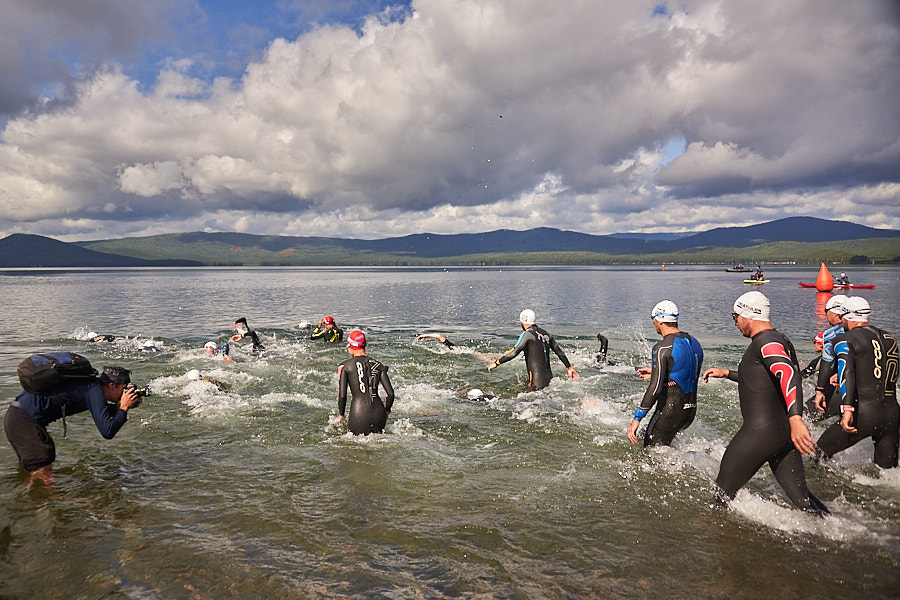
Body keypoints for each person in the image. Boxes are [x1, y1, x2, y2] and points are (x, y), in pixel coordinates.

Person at [702, 291, 828, 515]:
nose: (735, 322)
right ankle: (835, 537)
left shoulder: (766, 342)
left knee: (719, 498)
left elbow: (788, 374)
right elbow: (765, 379)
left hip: (759, 434)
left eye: (736, 316)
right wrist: (726, 373)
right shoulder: (779, 339)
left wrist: (797, 419)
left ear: (749, 315)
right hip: (782, 436)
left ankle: (707, 544)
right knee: (805, 502)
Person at [4, 366, 142, 488]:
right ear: (112, 385)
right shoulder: (94, 391)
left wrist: (120, 407)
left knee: (34, 471)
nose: (126, 393)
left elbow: (102, 412)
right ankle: (47, 510)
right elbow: (108, 431)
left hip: (18, 416)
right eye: (124, 388)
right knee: (44, 473)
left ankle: (28, 503)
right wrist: (123, 408)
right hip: (24, 421)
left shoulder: (90, 386)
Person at [816, 297, 899, 468]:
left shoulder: (845, 339)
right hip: (892, 415)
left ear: (846, 316)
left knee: (819, 452)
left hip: (864, 414)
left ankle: (822, 491)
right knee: (886, 473)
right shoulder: (890, 338)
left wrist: (846, 408)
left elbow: (848, 371)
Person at [628, 301, 704, 446]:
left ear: (659, 319)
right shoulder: (695, 342)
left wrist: (637, 418)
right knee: (655, 440)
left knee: (650, 455)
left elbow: (655, 389)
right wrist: (656, 372)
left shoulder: (662, 347)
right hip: (689, 413)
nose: (653, 324)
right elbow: (687, 372)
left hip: (669, 412)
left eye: (653, 320)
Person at [487, 309, 580, 391]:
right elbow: (559, 352)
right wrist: (569, 368)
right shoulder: (547, 334)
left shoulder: (527, 334)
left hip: (536, 383)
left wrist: (497, 363)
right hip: (550, 381)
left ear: (522, 321)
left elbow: (514, 352)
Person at [337, 330, 395, 435]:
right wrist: (387, 411)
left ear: (350, 346)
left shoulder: (345, 366)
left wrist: (341, 415)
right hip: (379, 414)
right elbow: (390, 394)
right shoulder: (378, 365)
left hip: (358, 414)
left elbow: (342, 396)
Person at [814, 295, 849, 417]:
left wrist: (819, 390)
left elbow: (827, 362)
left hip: (840, 390)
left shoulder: (832, 334)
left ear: (835, 313)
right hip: (864, 392)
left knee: (804, 417)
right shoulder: (866, 333)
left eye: (826, 311)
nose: (825, 315)